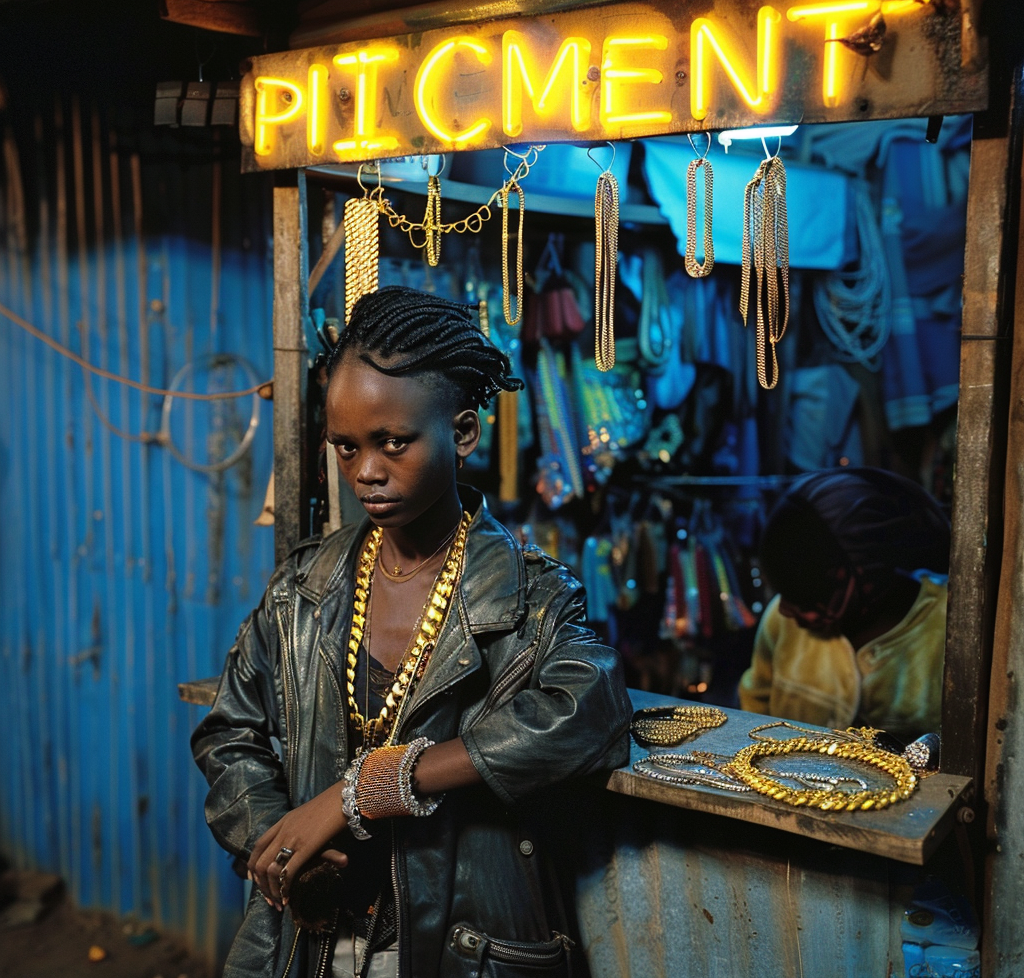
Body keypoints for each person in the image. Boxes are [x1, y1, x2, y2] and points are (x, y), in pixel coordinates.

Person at [192, 287, 632, 978]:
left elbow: (590, 713)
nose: (366, 471)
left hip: (464, 949)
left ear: (462, 433)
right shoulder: (302, 590)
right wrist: (277, 841)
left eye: (393, 442)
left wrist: (371, 787)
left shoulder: (532, 594)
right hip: (310, 938)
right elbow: (229, 732)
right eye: (345, 447)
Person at [738, 467, 949, 741]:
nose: (784, 610)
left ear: (868, 574)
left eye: (801, 595)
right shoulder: (781, 623)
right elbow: (754, 704)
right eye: (780, 593)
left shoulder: (947, 627)